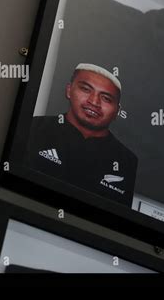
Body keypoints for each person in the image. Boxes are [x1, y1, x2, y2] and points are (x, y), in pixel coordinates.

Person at [25, 63, 137, 206]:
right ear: (69, 90)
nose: (94, 102)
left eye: (106, 98)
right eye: (85, 89)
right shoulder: (34, 127)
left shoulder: (127, 161)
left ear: (117, 111)